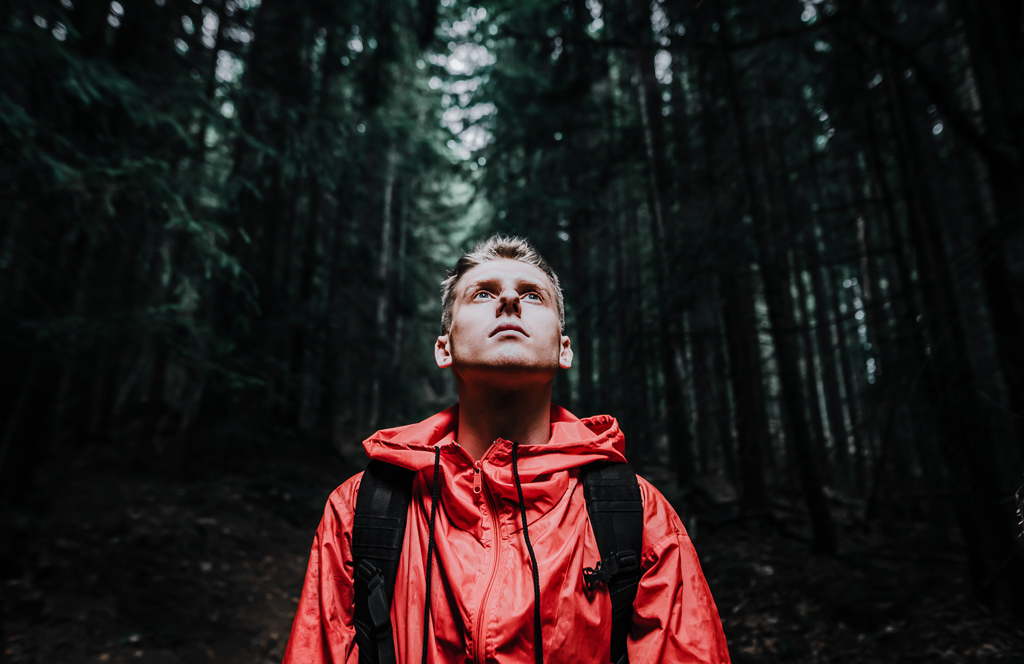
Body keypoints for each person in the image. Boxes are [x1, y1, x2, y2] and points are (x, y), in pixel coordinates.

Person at [282, 235, 731, 663]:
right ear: (444, 348)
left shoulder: (637, 514)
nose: (510, 301)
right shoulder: (362, 508)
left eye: (533, 295)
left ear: (564, 349)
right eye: (482, 294)